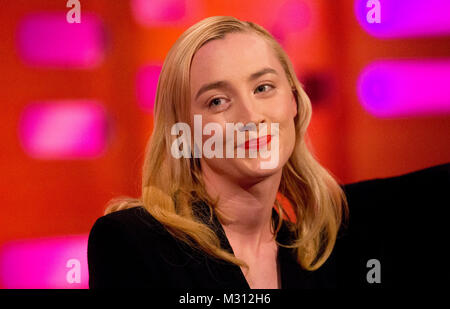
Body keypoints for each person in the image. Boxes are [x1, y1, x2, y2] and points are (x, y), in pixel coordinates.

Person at [88, 15, 449, 289]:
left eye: (263, 88)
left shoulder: (328, 241)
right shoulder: (132, 242)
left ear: (293, 100)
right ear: (184, 132)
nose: (251, 116)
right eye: (218, 101)